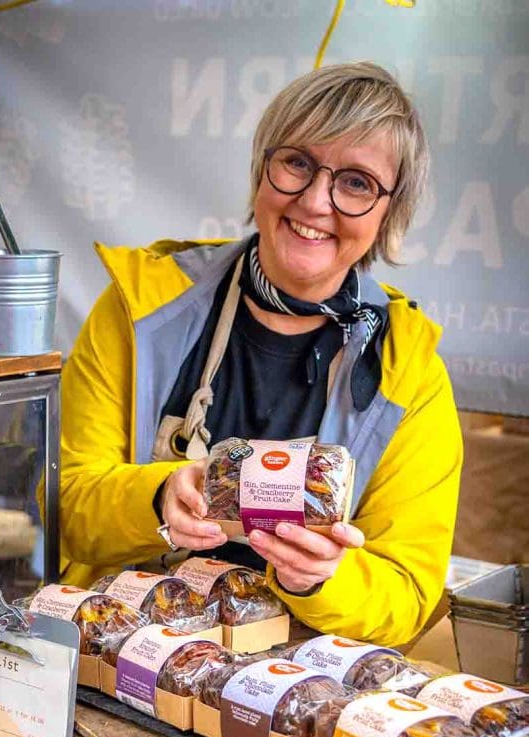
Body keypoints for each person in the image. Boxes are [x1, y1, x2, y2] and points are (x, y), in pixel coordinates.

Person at [53, 61, 462, 646]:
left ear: (387, 214)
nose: (317, 202)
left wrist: (325, 578)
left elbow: (408, 594)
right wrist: (156, 496)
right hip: (128, 652)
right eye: (297, 163)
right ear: (261, 172)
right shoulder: (140, 311)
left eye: (356, 183)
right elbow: (61, 504)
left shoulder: (410, 372)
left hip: (296, 683)